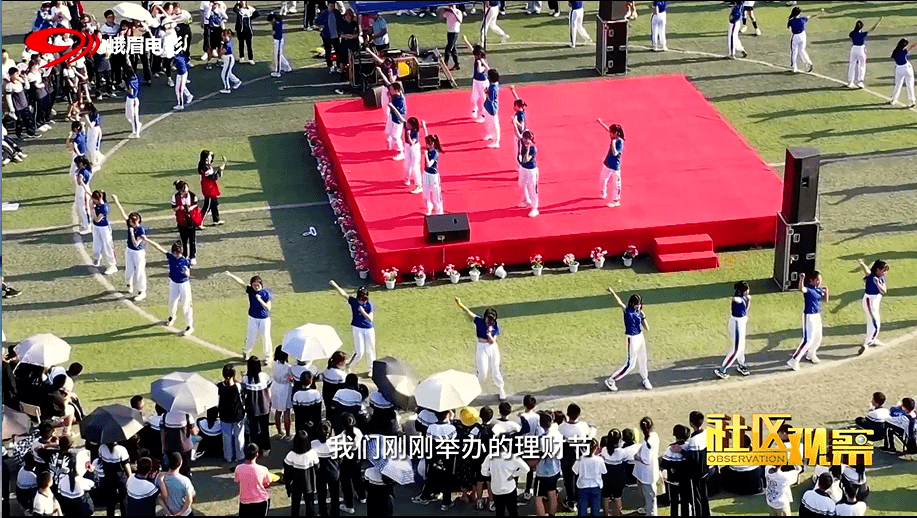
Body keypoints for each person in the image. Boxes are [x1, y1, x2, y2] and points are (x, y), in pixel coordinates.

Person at [455, 298, 506, 400]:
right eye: (488, 318)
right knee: (482, 372)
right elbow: (469, 313)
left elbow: (492, 341)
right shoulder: (479, 321)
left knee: (496, 369)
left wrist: (489, 332)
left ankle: (501, 389)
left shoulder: (495, 325)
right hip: (481, 347)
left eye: (491, 318)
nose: (489, 320)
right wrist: (460, 304)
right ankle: (474, 389)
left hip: (492, 347)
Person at [604, 288, 652, 391]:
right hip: (632, 339)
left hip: (640, 337)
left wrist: (644, 317)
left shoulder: (640, 312)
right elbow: (619, 302)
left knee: (643, 359)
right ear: (632, 303)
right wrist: (613, 292)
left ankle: (645, 379)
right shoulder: (627, 311)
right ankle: (611, 380)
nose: (638, 306)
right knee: (631, 364)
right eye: (636, 304)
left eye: (639, 304)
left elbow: (647, 328)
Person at [145, 239, 195, 336]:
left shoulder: (185, 261)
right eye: (174, 252)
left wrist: (186, 273)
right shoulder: (171, 257)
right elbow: (159, 248)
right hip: (173, 283)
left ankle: (189, 326)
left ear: (181, 252)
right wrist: (147, 240)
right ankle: (172, 316)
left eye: (177, 253)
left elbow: (188, 273)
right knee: (172, 302)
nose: (175, 254)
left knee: (186, 305)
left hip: (184, 284)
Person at [412, 410, 459, 510]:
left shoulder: (431, 427)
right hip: (447, 455)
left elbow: (429, 441)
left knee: (432, 475)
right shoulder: (451, 428)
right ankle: (446, 503)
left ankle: (425, 496)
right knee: (447, 478)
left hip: (434, 455)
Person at [329, 281, 376, 373]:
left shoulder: (369, 305)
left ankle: (371, 369)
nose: (364, 300)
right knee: (360, 352)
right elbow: (343, 294)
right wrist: (335, 285)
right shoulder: (354, 301)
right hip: (357, 328)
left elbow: (370, 319)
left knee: (370, 350)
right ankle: (349, 365)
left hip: (369, 329)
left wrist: (362, 311)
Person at [225, 272, 273, 360]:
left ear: (261, 284)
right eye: (254, 285)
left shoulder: (266, 293)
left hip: (264, 319)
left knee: (266, 337)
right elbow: (241, 283)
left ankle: (268, 356)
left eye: (257, 285)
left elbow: (268, 308)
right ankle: (246, 352)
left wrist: (260, 300)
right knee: (251, 337)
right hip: (253, 318)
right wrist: (231, 275)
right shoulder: (251, 291)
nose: (256, 287)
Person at [788, 271, 828, 371]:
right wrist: (801, 279)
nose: (819, 282)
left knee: (818, 337)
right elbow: (801, 289)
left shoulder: (818, 289)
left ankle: (811, 354)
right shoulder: (809, 289)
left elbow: (825, 300)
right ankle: (794, 360)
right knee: (808, 340)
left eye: (820, 279)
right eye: (817, 280)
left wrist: (826, 292)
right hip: (809, 316)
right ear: (811, 280)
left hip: (817, 315)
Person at [111, 195, 149, 301]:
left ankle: (142, 291)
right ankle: (129, 284)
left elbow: (136, 244)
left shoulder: (141, 230)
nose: (134, 224)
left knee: (140, 271)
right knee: (129, 271)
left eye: (135, 222)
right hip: (129, 250)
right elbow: (123, 213)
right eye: (132, 222)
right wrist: (116, 201)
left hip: (138, 252)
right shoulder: (129, 224)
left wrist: (132, 233)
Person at [482, 441, 530, 517]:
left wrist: (491, 474)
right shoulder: (513, 457)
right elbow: (526, 469)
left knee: (499, 511)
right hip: (509, 487)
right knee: (513, 511)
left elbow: (483, 472)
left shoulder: (490, 457)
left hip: (496, 488)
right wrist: (514, 475)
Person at [715, 281, 751, 379]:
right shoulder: (737, 298)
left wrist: (748, 301)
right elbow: (736, 301)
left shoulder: (745, 298)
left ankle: (741, 364)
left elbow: (745, 310)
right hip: (736, 324)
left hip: (742, 322)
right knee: (736, 349)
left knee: (742, 345)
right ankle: (722, 369)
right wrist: (737, 299)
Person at [558, 404, 591, 512]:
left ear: (567, 413)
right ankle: (578, 499)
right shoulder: (583, 426)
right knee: (579, 478)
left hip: (567, 456)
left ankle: (571, 501)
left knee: (568, 480)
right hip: (579, 455)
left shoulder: (562, 427)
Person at [241, 356, 273, 456]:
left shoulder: (246, 378)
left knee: (253, 431)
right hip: (264, 406)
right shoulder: (264, 376)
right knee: (264, 429)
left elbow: (244, 391)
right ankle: (266, 448)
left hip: (252, 408)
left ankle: (255, 450)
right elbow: (269, 390)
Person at [856, 259, 889, 353]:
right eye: (883, 270)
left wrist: (878, 283)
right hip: (869, 301)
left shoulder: (880, 277)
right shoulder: (871, 277)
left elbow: (884, 291)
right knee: (875, 323)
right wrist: (862, 264)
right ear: (877, 269)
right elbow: (867, 271)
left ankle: (871, 340)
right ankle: (867, 344)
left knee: (871, 322)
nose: (885, 272)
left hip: (875, 301)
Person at [283, 430, 319, 517]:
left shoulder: (291, 454)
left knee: (295, 504)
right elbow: (317, 466)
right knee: (310, 503)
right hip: (309, 483)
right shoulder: (312, 453)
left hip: (295, 483)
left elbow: (287, 469)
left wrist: (287, 484)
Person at [217, 364, 246, 463]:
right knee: (239, 437)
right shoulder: (239, 386)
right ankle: (240, 456)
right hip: (238, 416)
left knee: (226, 437)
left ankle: (228, 456)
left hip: (224, 416)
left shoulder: (219, 386)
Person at [683, 411, 710, 516]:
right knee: (704, 496)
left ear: (691, 423)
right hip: (706, 471)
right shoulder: (707, 433)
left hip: (696, 475)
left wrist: (681, 451)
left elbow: (692, 460)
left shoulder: (693, 441)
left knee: (696, 499)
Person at [338, 413, 366, 513]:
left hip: (346, 463)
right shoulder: (358, 432)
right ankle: (362, 497)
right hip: (357, 460)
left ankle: (349, 506)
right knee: (357, 478)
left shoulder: (342, 437)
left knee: (346, 484)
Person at [313, 420, 342, 516]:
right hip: (334, 472)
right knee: (335, 494)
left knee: (321, 494)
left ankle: (323, 513)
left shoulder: (313, 444)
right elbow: (340, 457)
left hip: (320, 473)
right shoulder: (336, 442)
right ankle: (335, 513)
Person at [660, 425, 690, 517]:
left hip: (673, 481)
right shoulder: (688, 447)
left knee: (674, 503)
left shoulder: (670, 449)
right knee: (685, 502)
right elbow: (691, 460)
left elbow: (664, 463)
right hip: (685, 480)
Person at [234, 444, 271, 515]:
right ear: (257, 454)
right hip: (261, 500)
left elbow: (237, 480)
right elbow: (267, 483)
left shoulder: (238, 468)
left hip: (245, 501)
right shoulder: (263, 469)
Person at [633, 417, 659, 516]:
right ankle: (648, 509)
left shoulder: (648, 443)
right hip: (651, 471)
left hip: (648, 474)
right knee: (648, 494)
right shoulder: (654, 436)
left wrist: (637, 457)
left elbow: (646, 459)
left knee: (650, 495)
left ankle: (651, 513)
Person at [99, 439, 132, 516]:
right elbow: (126, 464)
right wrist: (130, 476)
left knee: (110, 501)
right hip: (120, 477)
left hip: (108, 477)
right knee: (123, 499)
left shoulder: (102, 448)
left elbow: (101, 460)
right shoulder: (121, 449)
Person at [572, 439, 605, 516]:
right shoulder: (599, 460)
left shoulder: (580, 459)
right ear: (596, 448)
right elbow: (604, 471)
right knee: (596, 509)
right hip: (595, 486)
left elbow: (575, 471)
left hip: (582, 486)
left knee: (582, 509)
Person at [171, 180, 200, 265]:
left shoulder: (192, 196)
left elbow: (196, 205)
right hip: (181, 221)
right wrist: (180, 207)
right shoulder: (175, 197)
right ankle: (185, 255)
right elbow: (174, 208)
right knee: (183, 240)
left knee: (192, 240)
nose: (187, 189)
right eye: (184, 188)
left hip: (191, 220)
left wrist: (189, 208)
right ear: (180, 190)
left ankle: (192, 256)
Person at [596, 119, 624, 208]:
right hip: (607, 163)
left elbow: (615, 153)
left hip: (615, 166)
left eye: (612, 133)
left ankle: (616, 200)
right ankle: (603, 191)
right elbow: (607, 129)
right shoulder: (613, 137)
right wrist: (601, 123)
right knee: (602, 179)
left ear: (616, 133)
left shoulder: (619, 142)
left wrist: (613, 142)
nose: (610, 134)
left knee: (616, 184)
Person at [847, 18, 882, 89]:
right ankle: (860, 81)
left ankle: (850, 81)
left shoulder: (852, 33)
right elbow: (872, 29)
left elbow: (851, 35)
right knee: (862, 65)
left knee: (852, 65)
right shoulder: (863, 34)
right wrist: (878, 23)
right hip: (861, 49)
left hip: (854, 49)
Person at [89, 190, 117, 275]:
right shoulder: (96, 203)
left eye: (95, 199)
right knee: (96, 243)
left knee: (107, 245)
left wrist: (92, 209)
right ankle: (97, 258)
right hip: (96, 227)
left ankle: (112, 265)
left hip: (104, 228)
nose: (93, 201)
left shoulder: (104, 208)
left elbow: (97, 219)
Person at [787, 7, 824, 73]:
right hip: (803, 36)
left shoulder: (791, 20)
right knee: (802, 50)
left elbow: (789, 27)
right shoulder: (803, 19)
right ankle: (808, 62)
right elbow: (810, 16)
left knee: (794, 52)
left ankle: (794, 67)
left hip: (795, 36)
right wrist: (819, 12)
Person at [158, 452, 195, 517]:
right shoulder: (185, 481)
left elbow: (160, 498)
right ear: (180, 463)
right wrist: (180, 513)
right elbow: (189, 500)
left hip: (168, 513)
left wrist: (167, 511)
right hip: (184, 514)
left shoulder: (161, 478)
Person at [600, 429, 627, 516]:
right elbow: (625, 463)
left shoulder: (604, 450)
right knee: (618, 498)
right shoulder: (622, 452)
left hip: (607, 478)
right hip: (618, 478)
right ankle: (618, 514)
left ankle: (606, 514)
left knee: (606, 498)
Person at [464, 36, 490, 122]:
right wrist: (466, 40)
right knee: (473, 98)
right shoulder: (476, 57)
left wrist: (479, 64)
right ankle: (474, 109)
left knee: (483, 98)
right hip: (475, 81)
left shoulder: (482, 61)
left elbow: (481, 70)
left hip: (483, 82)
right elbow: (470, 48)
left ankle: (483, 115)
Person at [421, 129, 446, 216]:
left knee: (436, 195)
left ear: (432, 144)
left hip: (433, 176)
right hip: (426, 174)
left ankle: (439, 212)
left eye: (428, 144)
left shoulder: (435, 152)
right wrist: (424, 127)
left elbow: (429, 164)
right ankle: (429, 207)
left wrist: (425, 155)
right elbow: (426, 135)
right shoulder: (429, 147)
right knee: (425, 193)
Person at [271, 346, 294, 440]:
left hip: (276, 387)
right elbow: (291, 378)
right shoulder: (288, 367)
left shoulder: (274, 364)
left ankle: (279, 430)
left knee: (278, 411)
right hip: (285, 388)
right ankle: (288, 434)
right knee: (287, 411)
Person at [316, 3, 345, 74]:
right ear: (328, 6)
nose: (332, 7)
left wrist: (340, 31)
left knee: (338, 52)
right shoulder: (324, 13)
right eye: (331, 6)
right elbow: (317, 21)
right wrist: (321, 25)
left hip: (335, 36)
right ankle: (330, 66)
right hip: (326, 36)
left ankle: (338, 66)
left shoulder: (337, 13)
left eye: (333, 6)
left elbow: (341, 22)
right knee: (328, 52)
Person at [517, 130, 540, 218]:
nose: (525, 140)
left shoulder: (532, 148)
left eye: (527, 139)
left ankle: (535, 208)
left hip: (531, 170)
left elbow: (526, 159)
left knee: (532, 188)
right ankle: (526, 200)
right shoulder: (522, 143)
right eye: (524, 138)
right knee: (521, 184)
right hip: (523, 168)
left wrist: (526, 150)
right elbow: (518, 135)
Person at [889, 38, 917, 108]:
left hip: (899, 68)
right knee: (910, 84)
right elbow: (911, 46)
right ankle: (912, 100)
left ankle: (893, 99)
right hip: (907, 67)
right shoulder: (904, 51)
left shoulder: (895, 51)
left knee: (898, 84)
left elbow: (893, 57)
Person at [402, 117, 424, 194]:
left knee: (415, 167)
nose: (407, 125)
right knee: (406, 164)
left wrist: (408, 135)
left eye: (409, 124)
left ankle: (419, 185)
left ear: (412, 126)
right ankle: (407, 178)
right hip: (407, 147)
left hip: (414, 148)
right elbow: (400, 118)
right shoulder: (406, 126)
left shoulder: (415, 132)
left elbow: (412, 143)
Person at [72, 155, 93, 236]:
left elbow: (80, 182)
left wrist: (87, 191)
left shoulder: (83, 172)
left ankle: (88, 226)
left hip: (82, 190)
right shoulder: (86, 169)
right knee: (79, 206)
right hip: (81, 189)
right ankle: (85, 223)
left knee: (83, 208)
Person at [267, 13, 293, 77]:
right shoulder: (278, 21)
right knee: (279, 55)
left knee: (277, 57)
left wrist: (273, 34)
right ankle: (287, 67)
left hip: (278, 41)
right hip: (278, 40)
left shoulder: (276, 24)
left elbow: (275, 33)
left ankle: (277, 72)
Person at [386, 82, 407, 160]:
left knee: (396, 136)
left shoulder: (399, 100)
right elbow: (388, 83)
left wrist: (391, 104)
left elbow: (399, 113)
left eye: (391, 89)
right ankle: (389, 143)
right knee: (388, 131)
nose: (390, 90)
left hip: (398, 119)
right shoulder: (395, 94)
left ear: (397, 90)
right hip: (392, 116)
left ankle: (401, 152)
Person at [218, 29, 242, 94]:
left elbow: (222, 52)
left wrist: (220, 48)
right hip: (227, 59)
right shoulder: (227, 41)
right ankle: (237, 81)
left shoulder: (227, 43)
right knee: (228, 73)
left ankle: (227, 88)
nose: (222, 36)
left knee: (224, 74)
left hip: (228, 59)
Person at [483, 69, 501, 148]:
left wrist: (486, 93)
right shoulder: (494, 84)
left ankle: (496, 141)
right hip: (488, 107)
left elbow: (491, 99)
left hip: (492, 108)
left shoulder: (493, 87)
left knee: (494, 124)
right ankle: (490, 134)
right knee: (488, 122)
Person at [443, 5, 463, 70]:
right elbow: (443, 16)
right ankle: (457, 64)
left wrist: (453, 12)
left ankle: (445, 63)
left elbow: (460, 20)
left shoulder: (458, 12)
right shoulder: (447, 12)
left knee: (448, 48)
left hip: (454, 32)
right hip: (449, 31)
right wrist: (445, 10)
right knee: (453, 48)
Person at [124, 66, 142, 138]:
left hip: (131, 99)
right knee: (132, 116)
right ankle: (136, 127)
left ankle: (136, 132)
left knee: (132, 116)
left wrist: (126, 90)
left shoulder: (129, 81)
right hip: (135, 98)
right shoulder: (135, 78)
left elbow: (130, 91)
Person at [83, 102, 102, 168]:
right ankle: (93, 160)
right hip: (91, 130)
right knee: (89, 145)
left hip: (95, 130)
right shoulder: (92, 113)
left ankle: (96, 162)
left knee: (93, 147)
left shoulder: (95, 114)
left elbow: (91, 125)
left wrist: (87, 119)